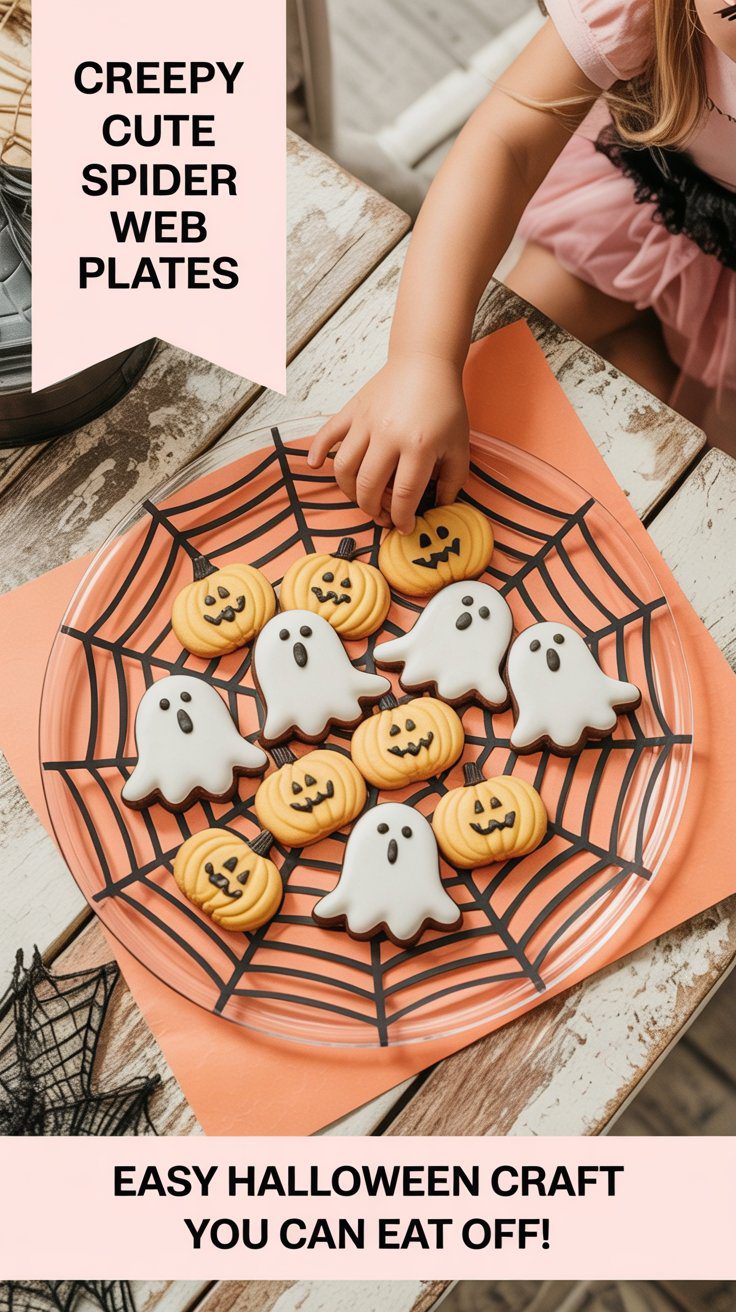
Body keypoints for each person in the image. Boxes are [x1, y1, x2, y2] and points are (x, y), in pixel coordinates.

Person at [309, 0, 736, 532]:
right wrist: (422, 359)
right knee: (485, 383)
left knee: (681, 485)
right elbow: (506, 144)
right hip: (632, 216)